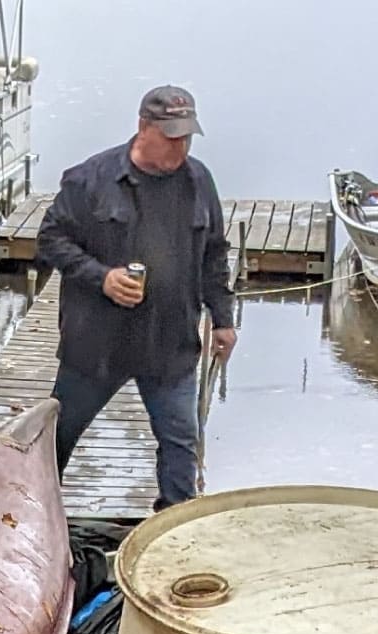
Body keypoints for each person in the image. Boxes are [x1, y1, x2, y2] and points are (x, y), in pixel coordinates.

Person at [35, 85, 237, 513]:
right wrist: (102, 277)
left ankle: (175, 526)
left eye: (186, 137)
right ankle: (35, 518)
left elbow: (214, 253)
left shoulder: (199, 181)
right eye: (171, 137)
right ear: (144, 127)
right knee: (56, 441)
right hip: (96, 346)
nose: (179, 147)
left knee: (181, 443)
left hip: (170, 342)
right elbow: (51, 239)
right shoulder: (90, 178)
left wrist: (223, 318)